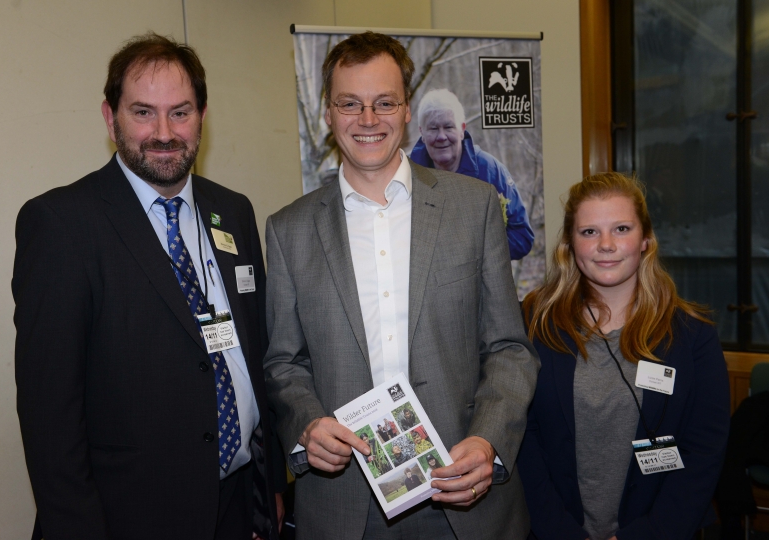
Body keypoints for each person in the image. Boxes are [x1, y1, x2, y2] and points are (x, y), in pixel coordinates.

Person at [264, 31, 539, 540]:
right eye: (351, 103)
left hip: (462, 489)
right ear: (328, 112)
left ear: (406, 109)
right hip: (347, 503)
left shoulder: (474, 207)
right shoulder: (288, 230)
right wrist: (306, 424)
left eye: (384, 102)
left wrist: (488, 442)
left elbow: (509, 348)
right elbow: (283, 362)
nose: (368, 120)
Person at [13, 33, 285, 540]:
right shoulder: (61, 224)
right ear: (109, 115)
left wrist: (268, 491)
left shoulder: (235, 212)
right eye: (143, 112)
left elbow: (253, 354)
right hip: (127, 516)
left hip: (236, 506)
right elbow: (50, 416)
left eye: (180, 112)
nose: (163, 132)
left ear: (203, 114)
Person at [517, 172, 730, 539]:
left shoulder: (693, 336)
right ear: (569, 243)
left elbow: (703, 452)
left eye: (621, 229)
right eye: (589, 232)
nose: (605, 245)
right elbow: (524, 440)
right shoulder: (535, 325)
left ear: (646, 239)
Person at [409, 88, 534, 260]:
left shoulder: (490, 171)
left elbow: (522, 238)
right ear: (422, 132)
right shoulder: (406, 174)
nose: (441, 136)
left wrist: (474, 251)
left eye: (448, 127)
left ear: (462, 129)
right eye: (433, 128)